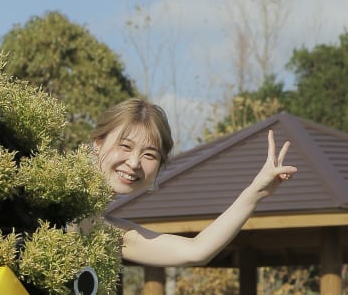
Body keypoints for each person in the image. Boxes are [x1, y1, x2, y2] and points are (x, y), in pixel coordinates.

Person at [91, 98, 295, 267]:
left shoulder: (106, 230)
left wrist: (256, 192)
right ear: (98, 143)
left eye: (149, 155)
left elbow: (196, 251)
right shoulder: (62, 197)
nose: (134, 162)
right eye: (125, 146)